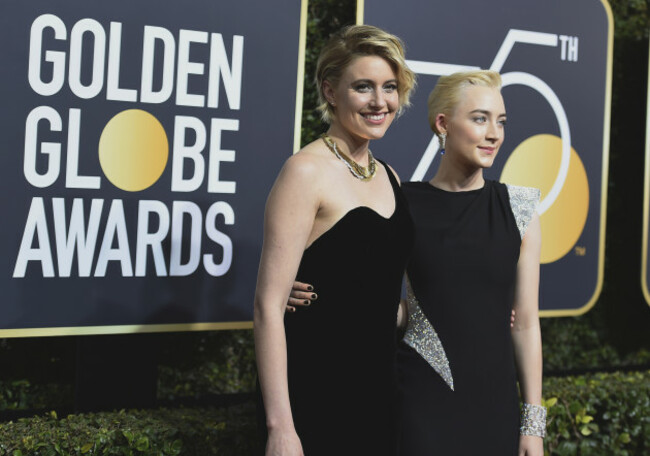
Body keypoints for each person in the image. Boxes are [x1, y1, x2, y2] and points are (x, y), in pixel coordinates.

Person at [290, 70, 545, 455]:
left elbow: (525, 323)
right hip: (420, 401)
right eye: (480, 118)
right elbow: (364, 285)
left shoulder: (520, 207)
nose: (495, 133)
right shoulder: (401, 202)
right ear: (443, 124)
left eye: (501, 121)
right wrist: (308, 292)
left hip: (496, 408)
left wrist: (533, 425)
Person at [253, 25, 416, 456]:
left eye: (389, 87)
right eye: (363, 87)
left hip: (382, 393)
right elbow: (268, 308)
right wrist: (281, 428)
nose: (380, 102)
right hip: (316, 395)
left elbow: (377, 290)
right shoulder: (305, 172)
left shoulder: (391, 177)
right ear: (330, 91)